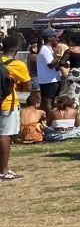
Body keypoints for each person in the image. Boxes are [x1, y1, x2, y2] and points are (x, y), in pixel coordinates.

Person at [1, 34, 31, 181]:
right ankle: (3, 170)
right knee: (4, 135)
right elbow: (28, 86)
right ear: (18, 48)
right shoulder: (17, 64)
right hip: (7, 103)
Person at [34, 29, 61, 117]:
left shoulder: (47, 49)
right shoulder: (46, 49)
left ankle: (42, 118)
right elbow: (50, 65)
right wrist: (58, 56)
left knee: (47, 101)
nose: (57, 38)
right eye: (55, 36)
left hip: (48, 79)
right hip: (49, 80)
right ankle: (50, 120)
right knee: (49, 102)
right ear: (49, 38)